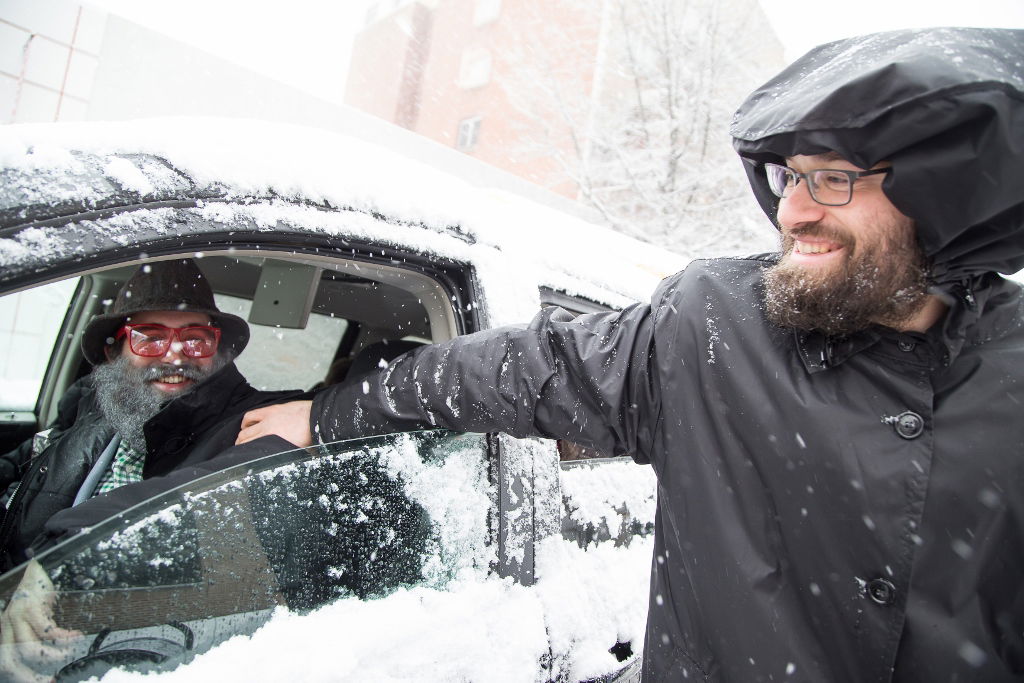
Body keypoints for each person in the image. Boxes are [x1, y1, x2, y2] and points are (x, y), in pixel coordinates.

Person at [239, 28, 1024, 682]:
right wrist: (331, 411)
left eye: (835, 180)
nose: (793, 211)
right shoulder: (716, 328)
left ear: (932, 191)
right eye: (788, 177)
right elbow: (519, 369)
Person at [0, 258, 301, 569]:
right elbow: (25, 477)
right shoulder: (94, 406)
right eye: (150, 337)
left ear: (217, 350)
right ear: (114, 352)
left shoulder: (256, 423)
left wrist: (316, 416)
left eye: (195, 337)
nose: (175, 353)